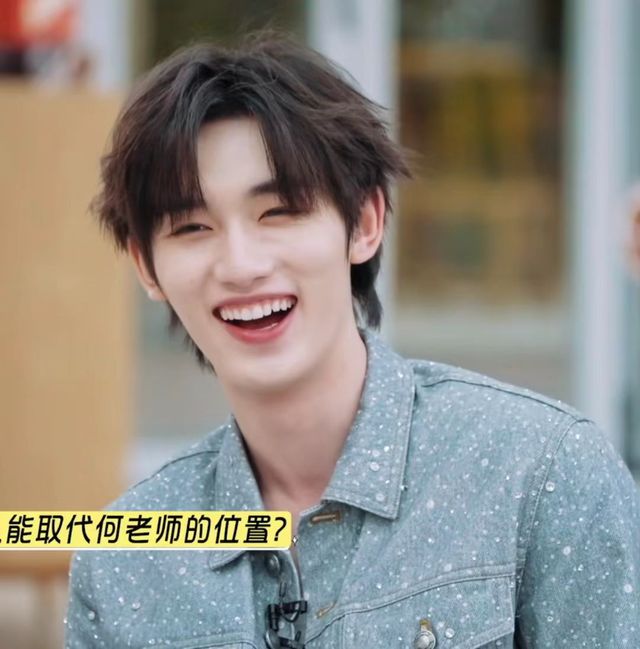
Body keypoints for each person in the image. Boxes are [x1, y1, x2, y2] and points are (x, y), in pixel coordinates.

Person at [65, 33, 640, 648]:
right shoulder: (122, 559)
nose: (240, 265)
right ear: (146, 267)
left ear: (365, 221)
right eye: (191, 227)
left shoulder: (542, 471)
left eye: (279, 211)